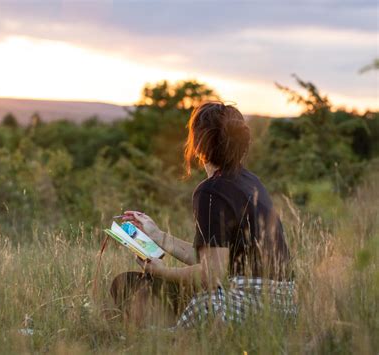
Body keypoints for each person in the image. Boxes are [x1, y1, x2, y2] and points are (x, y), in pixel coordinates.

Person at [110, 102, 296, 328]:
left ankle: (164, 338)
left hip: (249, 304)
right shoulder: (250, 180)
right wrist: (158, 236)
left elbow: (211, 275)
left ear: (198, 144)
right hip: (285, 306)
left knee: (128, 285)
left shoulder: (211, 190)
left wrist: (163, 272)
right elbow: (216, 262)